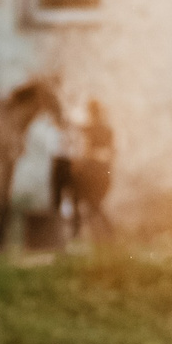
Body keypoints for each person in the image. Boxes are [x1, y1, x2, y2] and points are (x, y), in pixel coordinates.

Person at [51, 97, 115, 242]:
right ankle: (82, 235)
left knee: (92, 205)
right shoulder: (87, 129)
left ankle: (105, 235)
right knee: (82, 203)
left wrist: (90, 155)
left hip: (96, 174)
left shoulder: (103, 131)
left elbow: (107, 153)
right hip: (88, 173)